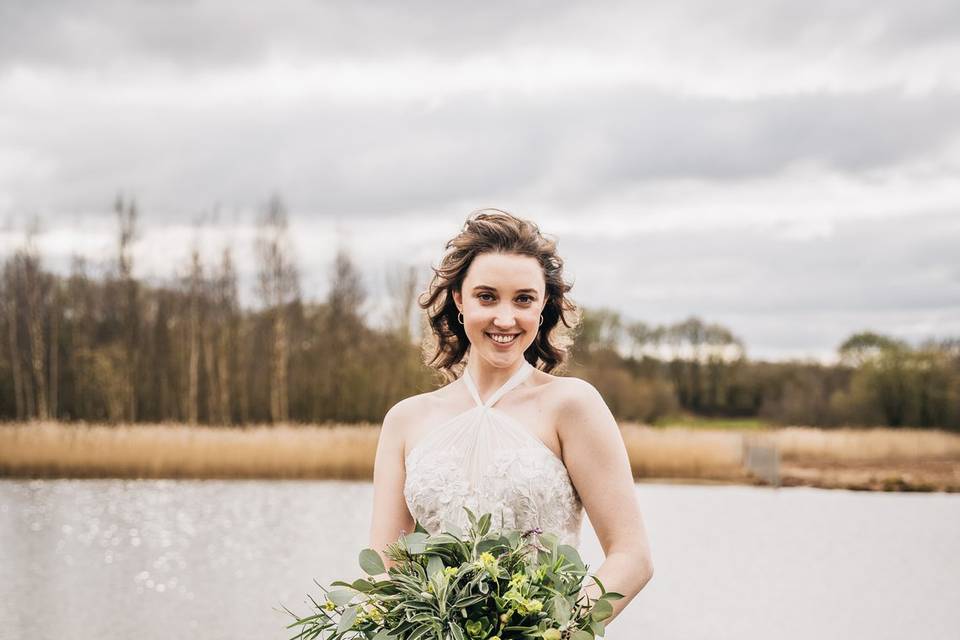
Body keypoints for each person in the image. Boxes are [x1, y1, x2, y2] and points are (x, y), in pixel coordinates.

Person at [369, 208, 653, 624]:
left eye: (523, 299)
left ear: (542, 308)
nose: (505, 318)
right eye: (487, 297)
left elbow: (632, 557)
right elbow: (386, 570)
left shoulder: (572, 405)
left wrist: (552, 631)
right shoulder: (405, 420)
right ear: (460, 300)